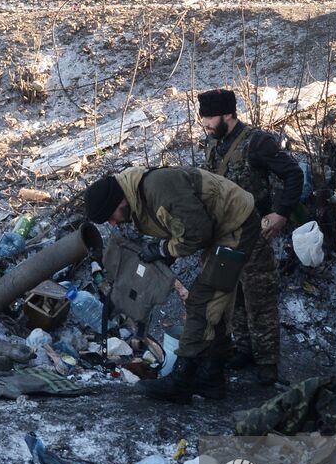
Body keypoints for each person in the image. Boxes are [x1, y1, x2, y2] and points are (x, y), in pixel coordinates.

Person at [82, 165, 261, 403]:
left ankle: (181, 380)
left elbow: (198, 232)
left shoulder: (157, 188)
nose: (113, 224)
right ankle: (212, 378)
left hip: (236, 225)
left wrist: (162, 249)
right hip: (218, 227)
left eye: (111, 216)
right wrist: (164, 253)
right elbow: (178, 224)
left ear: (119, 200)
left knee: (203, 300)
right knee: (212, 305)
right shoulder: (138, 197)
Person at [197, 88, 303, 385]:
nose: (204, 123)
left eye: (209, 117)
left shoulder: (258, 143)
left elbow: (293, 174)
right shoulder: (214, 143)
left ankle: (268, 362)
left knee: (260, 298)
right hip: (224, 235)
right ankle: (243, 349)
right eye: (203, 117)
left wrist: (281, 213)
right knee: (235, 297)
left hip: (253, 235)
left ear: (228, 114)